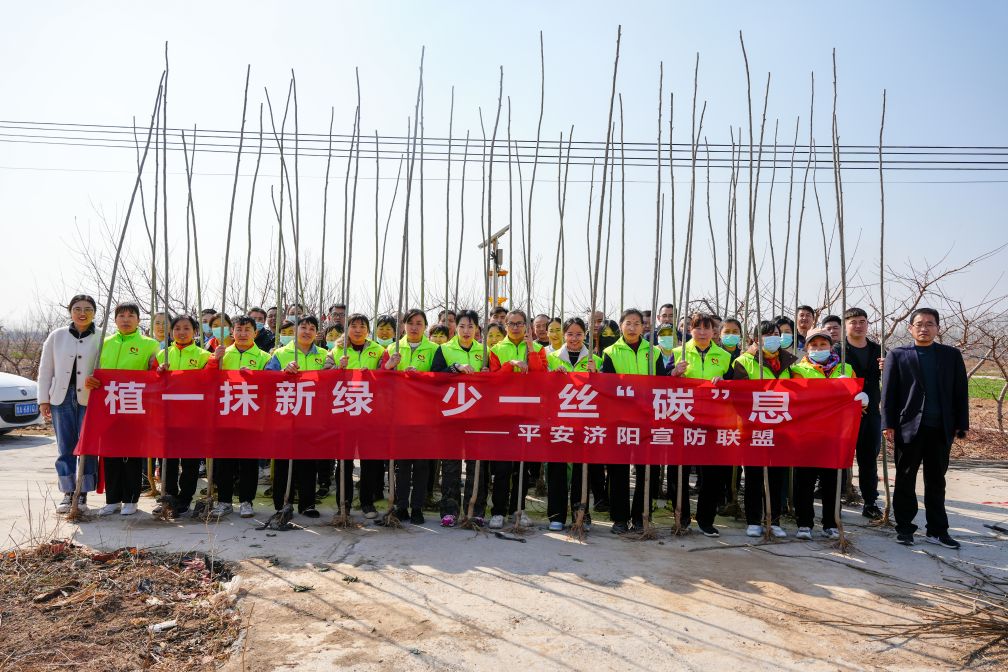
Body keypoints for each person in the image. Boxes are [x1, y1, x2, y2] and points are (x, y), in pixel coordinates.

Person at [882, 308, 968, 549]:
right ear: (910, 328)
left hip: (941, 427)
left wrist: (962, 424)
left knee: (936, 480)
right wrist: (887, 424)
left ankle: (937, 531)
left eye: (930, 324)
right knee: (905, 479)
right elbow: (888, 393)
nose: (924, 328)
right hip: (908, 427)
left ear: (938, 329)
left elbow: (960, 391)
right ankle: (904, 528)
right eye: (919, 324)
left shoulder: (951, 355)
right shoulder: (898, 355)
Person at [84, 302, 160, 516]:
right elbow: (93, 371)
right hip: (108, 405)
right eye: (121, 316)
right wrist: (90, 380)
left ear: (138, 320)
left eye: (131, 315)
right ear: (115, 319)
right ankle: (112, 500)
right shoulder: (104, 342)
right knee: (109, 453)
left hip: (134, 405)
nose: (126, 319)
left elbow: (155, 373)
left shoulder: (150, 344)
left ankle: (131, 499)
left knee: (131, 453)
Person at [790, 329, 867, 540]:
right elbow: (794, 398)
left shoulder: (845, 368)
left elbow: (854, 400)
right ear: (807, 348)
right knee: (804, 481)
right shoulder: (797, 370)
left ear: (831, 347)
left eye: (823, 345)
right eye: (813, 345)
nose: (818, 349)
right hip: (806, 433)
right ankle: (804, 523)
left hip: (835, 434)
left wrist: (860, 399)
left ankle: (831, 523)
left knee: (832, 480)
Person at [602, 309, 670, 534]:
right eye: (628, 323)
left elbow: (661, 385)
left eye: (636, 323)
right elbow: (608, 387)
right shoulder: (610, 352)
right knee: (618, 470)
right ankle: (619, 518)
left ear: (643, 327)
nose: (632, 328)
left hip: (647, 420)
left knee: (648, 469)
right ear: (621, 325)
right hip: (620, 420)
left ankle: (641, 517)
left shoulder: (654, 352)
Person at [731, 320, 799, 538]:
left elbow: (799, 392)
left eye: (776, 334)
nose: (773, 338)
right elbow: (739, 398)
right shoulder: (743, 362)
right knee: (754, 476)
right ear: (755, 339)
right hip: (754, 428)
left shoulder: (789, 362)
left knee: (777, 476)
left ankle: (774, 519)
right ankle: (753, 520)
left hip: (781, 427)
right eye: (767, 335)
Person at [669, 313, 731, 537]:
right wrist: (674, 373)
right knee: (678, 471)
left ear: (714, 332)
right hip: (682, 419)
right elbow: (661, 383)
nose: (702, 332)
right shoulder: (678, 352)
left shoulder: (725, 356)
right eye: (698, 328)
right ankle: (682, 517)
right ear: (690, 330)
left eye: (707, 328)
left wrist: (725, 382)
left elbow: (735, 386)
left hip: (713, 422)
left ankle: (706, 520)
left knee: (712, 474)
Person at [38, 294, 100, 514]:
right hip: (61, 397)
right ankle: (67, 491)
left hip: (90, 398)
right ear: (70, 311)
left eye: (88, 309)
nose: (82, 313)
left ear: (94, 313)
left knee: (87, 446)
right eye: (77, 309)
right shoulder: (57, 336)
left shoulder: (102, 337)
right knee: (65, 446)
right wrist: (43, 399)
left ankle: (82, 492)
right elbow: (46, 369)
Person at [488, 309, 549, 529]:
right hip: (503, 415)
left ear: (527, 326)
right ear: (505, 326)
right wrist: (510, 365)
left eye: (520, 323)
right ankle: (498, 511)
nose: (515, 327)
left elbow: (541, 376)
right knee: (502, 468)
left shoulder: (539, 349)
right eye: (511, 323)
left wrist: (531, 350)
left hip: (528, 414)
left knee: (522, 468)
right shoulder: (496, 349)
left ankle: (518, 509)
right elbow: (493, 380)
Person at [265, 315, 327, 518]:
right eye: (303, 327)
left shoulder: (324, 355)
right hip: (286, 414)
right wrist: (284, 372)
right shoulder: (281, 353)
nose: (307, 332)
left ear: (316, 333)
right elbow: (268, 380)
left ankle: (307, 504)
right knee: (283, 462)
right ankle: (283, 503)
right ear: (296, 330)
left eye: (312, 328)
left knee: (308, 462)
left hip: (312, 416)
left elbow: (332, 383)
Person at [381, 308, 439, 524]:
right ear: (403, 325)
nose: (414, 327)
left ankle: (417, 507)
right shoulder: (392, 348)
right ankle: (401, 505)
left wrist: (422, 377)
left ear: (425, 327)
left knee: (422, 464)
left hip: (425, 416)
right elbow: (381, 380)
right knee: (402, 464)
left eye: (419, 323)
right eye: (410, 323)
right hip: (399, 415)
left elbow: (441, 379)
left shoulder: (435, 349)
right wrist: (389, 366)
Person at [326, 313, 387, 519]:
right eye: (354, 326)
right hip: (345, 412)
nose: (358, 330)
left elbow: (388, 378)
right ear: (347, 329)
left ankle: (367, 502)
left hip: (370, 413)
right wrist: (338, 369)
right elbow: (324, 378)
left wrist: (377, 373)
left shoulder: (379, 351)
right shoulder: (336, 351)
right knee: (344, 460)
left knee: (370, 461)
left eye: (362, 326)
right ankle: (343, 504)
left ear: (368, 330)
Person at [209, 315, 270, 518]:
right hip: (224, 416)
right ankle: (224, 501)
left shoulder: (264, 357)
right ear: (232, 332)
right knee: (223, 462)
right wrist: (214, 361)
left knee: (248, 462)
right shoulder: (222, 355)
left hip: (251, 418)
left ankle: (246, 501)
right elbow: (207, 380)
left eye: (247, 330)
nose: (243, 334)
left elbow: (271, 386)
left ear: (255, 332)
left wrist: (255, 378)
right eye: (238, 330)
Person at [154, 314, 214, 516]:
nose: (181, 332)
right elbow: (151, 382)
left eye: (186, 328)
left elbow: (210, 381)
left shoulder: (204, 356)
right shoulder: (162, 355)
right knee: (167, 459)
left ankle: (185, 498)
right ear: (171, 332)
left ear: (195, 332)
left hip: (193, 418)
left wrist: (215, 362)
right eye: (177, 328)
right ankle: (168, 496)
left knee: (190, 461)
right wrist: (158, 372)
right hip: (167, 417)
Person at [431, 309, 486, 527]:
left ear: (477, 329)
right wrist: (455, 368)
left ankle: (475, 509)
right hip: (451, 415)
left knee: (476, 465)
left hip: (477, 415)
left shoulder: (485, 350)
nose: (466, 331)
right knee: (451, 464)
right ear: (455, 328)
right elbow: (435, 377)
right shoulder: (444, 349)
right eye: (462, 326)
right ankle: (449, 510)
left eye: (470, 327)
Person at [545, 316, 601, 531]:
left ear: (585, 335)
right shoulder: (551, 358)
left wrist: (596, 375)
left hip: (585, 421)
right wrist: (553, 376)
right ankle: (556, 515)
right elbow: (542, 387)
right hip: (558, 421)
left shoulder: (595, 359)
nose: (574, 338)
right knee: (557, 468)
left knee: (582, 469)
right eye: (570, 334)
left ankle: (581, 514)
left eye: (579, 334)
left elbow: (604, 390)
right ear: (563, 335)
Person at [839, 307, 884, 519]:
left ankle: (870, 502)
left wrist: (888, 368)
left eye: (862, 321)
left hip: (871, 412)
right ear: (845, 325)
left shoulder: (879, 350)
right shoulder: (838, 350)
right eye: (853, 322)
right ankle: (835, 500)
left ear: (867, 324)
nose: (858, 326)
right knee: (839, 457)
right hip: (843, 413)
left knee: (869, 459)